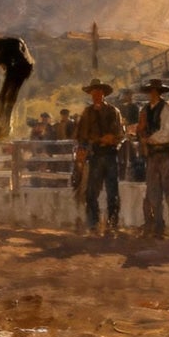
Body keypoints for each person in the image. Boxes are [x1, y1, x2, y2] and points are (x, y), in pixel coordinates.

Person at [70, 78, 124, 234]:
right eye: (93, 92)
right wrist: (82, 149)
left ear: (103, 94)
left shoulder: (113, 111)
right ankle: (93, 223)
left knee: (112, 191)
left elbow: (120, 134)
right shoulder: (87, 113)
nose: (96, 95)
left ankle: (112, 224)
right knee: (92, 191)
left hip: (110, 154)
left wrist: (112, 139)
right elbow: (81, 135)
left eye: (99, 92)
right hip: (94, 155)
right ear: (91, 94)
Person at [135, 77, 169, 239]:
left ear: (159, 92)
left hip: (165, 153)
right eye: (150, 91)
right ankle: (158, 227)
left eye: (154, 91)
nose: (152, 94)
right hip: (152, 155)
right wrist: (141, 135)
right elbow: (141, 130)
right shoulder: (145, 110)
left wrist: (149, 139)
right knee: (153, 192)